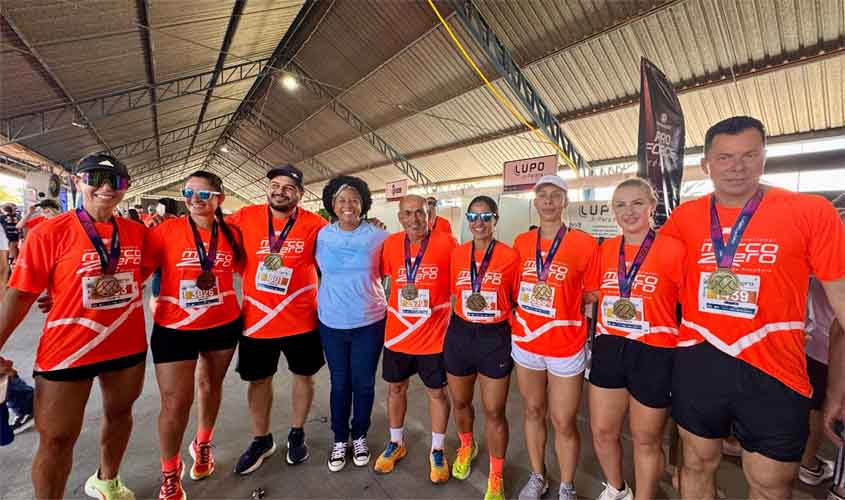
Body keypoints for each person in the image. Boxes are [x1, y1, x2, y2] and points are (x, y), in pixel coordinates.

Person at [660, 116, 845, 500]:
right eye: (725, 157)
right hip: (700, 360)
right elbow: (660, 288)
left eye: (749, 155)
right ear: (706, 164)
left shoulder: (811, 212)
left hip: (775, 370)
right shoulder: (684, 218)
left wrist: (839, 388)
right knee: (695, 465)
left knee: (770, 484)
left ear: (764, 157)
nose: (737, 167)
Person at [0, 153, 147, 500]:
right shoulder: (48, 233)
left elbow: (140, 275)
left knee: (120, 413)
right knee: (56, 438)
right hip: (67, 351)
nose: (106, 188)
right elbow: (19, 296)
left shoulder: (138, 234)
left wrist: (74, 291)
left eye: (117, 181)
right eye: (95, 178)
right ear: (78, 182)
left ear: (126, 189)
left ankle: (107, 480)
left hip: (126, 347)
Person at [143, 171, 244, 500]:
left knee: (210, 387)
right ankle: (170, 472)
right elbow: (133, 272)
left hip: (222, 323)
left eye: (203, 194)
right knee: (175, 403)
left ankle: (203, 444)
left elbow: (253, 266)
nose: (194, 200)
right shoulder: (165, 231)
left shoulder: (232, 234)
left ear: (219, 199)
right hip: (175, 328)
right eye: (188, 193)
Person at [586, 178, 685, 500]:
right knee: (602, 431)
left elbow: (692, 303)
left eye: (637, 203)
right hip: (610, 345)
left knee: (646, 439)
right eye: (621, 205)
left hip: (654, 350)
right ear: (613, 211)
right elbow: (599, 291)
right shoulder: (606, 249)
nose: (629, 211)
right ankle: (617, 489)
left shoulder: (673, 248)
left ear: (652, 206)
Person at [226, 164, 327, 475]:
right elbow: (209, 235)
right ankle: (261, 440)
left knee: (304, 377)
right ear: (267, 188)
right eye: (276, 185)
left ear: (300, 194)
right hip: (258, 320)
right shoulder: (245, 216)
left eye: (288, 187)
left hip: (302, 319)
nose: (280, 191)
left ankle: (297, 434)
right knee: (259, 380)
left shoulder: (316, 225)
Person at [509, 175, 599, 500]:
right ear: (535, 203)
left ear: (565, 202)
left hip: (565, 344)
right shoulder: (520, 242)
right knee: (532, 411)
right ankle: (538, 476)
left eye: (555, 195)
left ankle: (567, 485)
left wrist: (564, 305)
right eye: (542, 195)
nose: (548, 201)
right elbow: (513, 286)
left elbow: (592, 293)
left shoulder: (585, 244)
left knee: (563, 421)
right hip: (526, 341)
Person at [373, 194, 457, 482]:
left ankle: (437, 449)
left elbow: (463, 281)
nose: (414, 219)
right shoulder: (391, 244)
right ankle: (396, 443)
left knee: (437, 393)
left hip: (433, 337)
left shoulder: (446, 243)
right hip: (398, 336)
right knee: (395, 389)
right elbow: (375, 275)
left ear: (428, 214)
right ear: (400, 217)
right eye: (407, 213)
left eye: (419, 212)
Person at [445, 195, 520, 500]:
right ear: (467, 220)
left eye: (486, 217)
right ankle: (467, 446)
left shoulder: (510, 256)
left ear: (495, 220)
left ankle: (496, 474)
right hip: (461, 334)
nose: (479, 223)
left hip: (494, 337)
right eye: (473, 217)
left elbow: (516, 299)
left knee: (494, 410)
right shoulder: (457, 254)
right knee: (461, 403)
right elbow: (454, 296)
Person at [315, 175, 389, 472]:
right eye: (342, 200)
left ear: (364, 204)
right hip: (332, 322)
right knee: (339, 382)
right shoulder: (321, 235)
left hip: (369, 321)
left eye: (354, 200)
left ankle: (359, 435)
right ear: (332, 204)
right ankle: (339, 438)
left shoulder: (378, 235)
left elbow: (394, 267)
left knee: (365, 383)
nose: (348, 205)